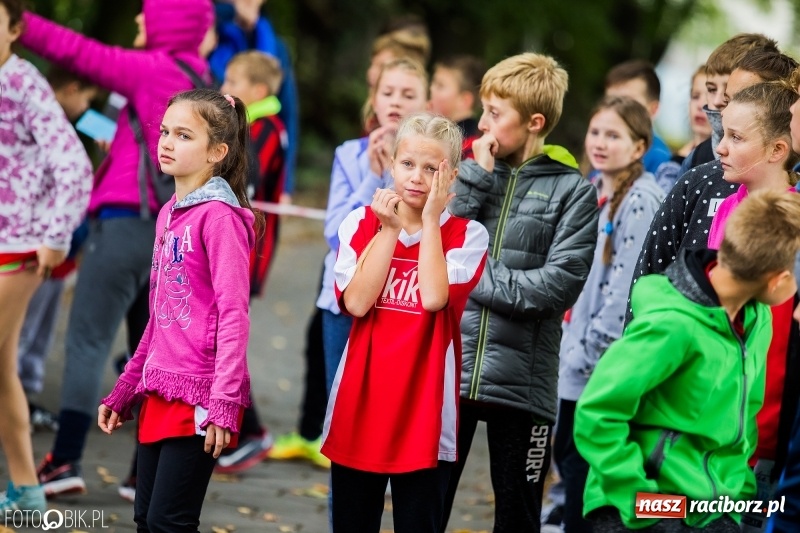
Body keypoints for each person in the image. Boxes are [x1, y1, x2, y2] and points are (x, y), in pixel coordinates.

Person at [18, 0, 215, 498]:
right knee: (152, 353)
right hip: (174, 231)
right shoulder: (200, 79)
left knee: (87, 341)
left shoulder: (151, 67)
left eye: (146, 14)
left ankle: (64, 462)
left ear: (168, 21)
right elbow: (133, 137)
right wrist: (98, 127)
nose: (136, 22)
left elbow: (75, 49)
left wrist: (16, 17)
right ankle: (141, 474)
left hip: (128, 224)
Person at [576, 189, 800, 532]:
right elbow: (596, 412)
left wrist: (737, 500)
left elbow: (745, 419)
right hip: (639, 512)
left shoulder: (759, 321)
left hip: (713, 512)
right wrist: (643, 501)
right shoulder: (671, 324)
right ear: (780, 280)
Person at [440, 52, 600, 533]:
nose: (482, 123)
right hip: (452, 367)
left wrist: (469, 277)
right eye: (483, 109)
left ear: (534, 122)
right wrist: (473, 181)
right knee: (426, 507)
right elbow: (441, 247)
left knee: (518, 516)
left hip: (525, 383)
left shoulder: (574, 191)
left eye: (495, 113)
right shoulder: (469, 172)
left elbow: (557, 287)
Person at [98, 88, 258, 532]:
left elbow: (233, 315)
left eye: (184, 135)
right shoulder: (170, 211)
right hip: (159, 391)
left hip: (202, 397)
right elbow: (160, 314)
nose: (166, 142)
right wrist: (128, 386)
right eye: (165, 131)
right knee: (145, 519)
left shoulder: (221, 219)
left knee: (170, 521)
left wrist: (225, 400)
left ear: (217, 152)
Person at [321, 112, 489, 533]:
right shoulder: (360, 223)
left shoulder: (468, 235)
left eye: (431, 168)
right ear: (392, 164)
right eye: (408, 164)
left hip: (425, 410)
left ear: (451, 175)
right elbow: (357, 303)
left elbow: (434, 298)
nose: (417, 177)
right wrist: (390, 231)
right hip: (361, 401)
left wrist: (430, 220)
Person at [0, 0, 93, 512]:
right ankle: (27, 489)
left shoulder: (24, 83)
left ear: (14, 30)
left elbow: (75, 167)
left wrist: (56, 236)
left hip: (22, 250)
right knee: (1, 371)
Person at [557, 96, 664, 533]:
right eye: (596, 132)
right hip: (573, 362)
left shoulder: (640, 200)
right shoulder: (596, 188)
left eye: (614, 135)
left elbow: (624, 294)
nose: (600, 143)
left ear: (639, 147)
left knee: (583, 479)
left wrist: (584, 356)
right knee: (568, 465)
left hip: (597, 370)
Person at [629, 39, 794, 321]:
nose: (718, 103)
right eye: (724, 96)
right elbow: (650, 274)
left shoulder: (793, 205)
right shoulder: (702, 181)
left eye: (749, 96)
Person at [707, 81, 800, 533]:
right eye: (723, 134)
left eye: (736, 138)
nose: (721, 147)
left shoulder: (794, 220)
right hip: (711, 417)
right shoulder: (726, 208)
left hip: (765, 427)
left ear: (777, 149)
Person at [318, 57, 429, 395]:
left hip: (401, 300)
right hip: (343, 296)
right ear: (374, 99)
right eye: (388, 92)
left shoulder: (431, 163)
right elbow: (336, 234)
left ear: (426, 104)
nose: (396, 101)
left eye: (408, 94)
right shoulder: (349, 153)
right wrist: (371, 176)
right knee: (341, 401)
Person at [212, 49, 287, 473]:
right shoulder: (253, 125)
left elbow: (244, 181)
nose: (226, 88)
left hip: (247, 252)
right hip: (235, 247)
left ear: (258, 91)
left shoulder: (265, 129)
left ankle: (253, 433)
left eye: (234, 82)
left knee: (228, 340)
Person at [18, 66, 96, 433]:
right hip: (32, 249)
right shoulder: (35, 114)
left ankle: (23, 399)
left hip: (55, 250)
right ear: (71, 88)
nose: (85, 108)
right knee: (21, 331)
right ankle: (16, 401)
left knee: (36, 330)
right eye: (85, 100)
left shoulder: (78, 125)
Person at [209, 0, 299, 204]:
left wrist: (286, 185)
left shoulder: (276, 46)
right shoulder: (210, 36)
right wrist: (231, 13)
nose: (224, 88)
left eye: (231, 81)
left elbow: (289, 116)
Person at [678, 34, 779, 174]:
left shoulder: (782, 164)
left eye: (728, 91)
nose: (717, 101)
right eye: (712, 89)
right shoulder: (695, 158)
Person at [604, 60, 671, 175]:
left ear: (653, 109)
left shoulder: (661, 161)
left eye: (628, 102)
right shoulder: (599, 147)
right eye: (610, 102)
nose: (615, 110)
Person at [652, 65, 712, 193]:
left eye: (710, 97)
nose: (701, 105)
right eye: (695, 96)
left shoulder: (723, 162)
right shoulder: (677, 160)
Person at [428, 54, 486, 160]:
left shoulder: (470, 149)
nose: (431, 89)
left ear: (464, 101)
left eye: (440, 86)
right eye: (433, 83)